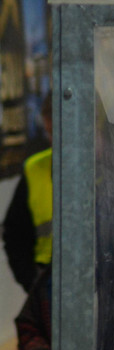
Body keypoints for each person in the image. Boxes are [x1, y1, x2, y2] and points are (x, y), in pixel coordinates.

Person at [2, 92, 52, 293]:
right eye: (49, 132)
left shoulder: (106, 168)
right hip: (47, 282)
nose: (54, 140)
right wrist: (32, 282)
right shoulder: (35, 169)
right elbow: (13, 235)